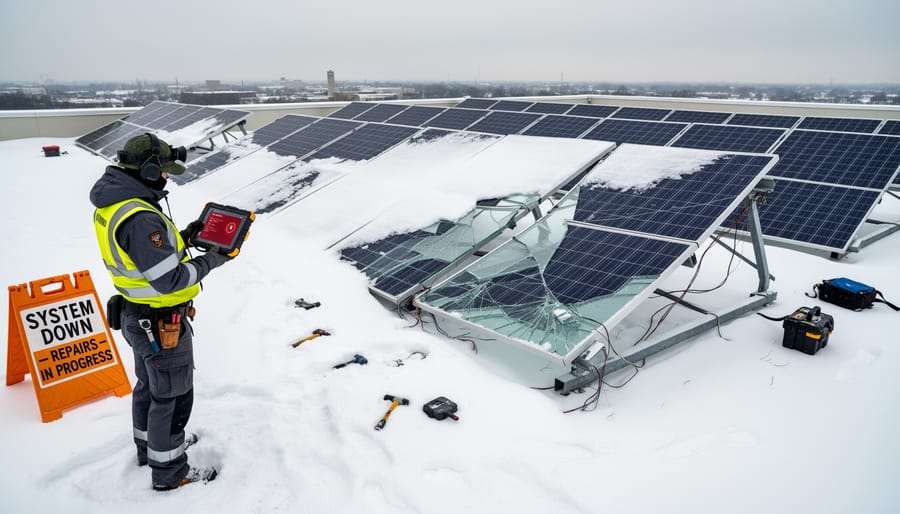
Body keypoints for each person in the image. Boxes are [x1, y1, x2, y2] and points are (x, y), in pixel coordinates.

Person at [89, 133, 232, 491]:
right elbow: (169, 279)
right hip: (159, 323)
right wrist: (212, 261)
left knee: (149, 388)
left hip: (137, 317)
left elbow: (146, 258)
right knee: (172, 395)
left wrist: (184, 236)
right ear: (149, 169)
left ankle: (150, 448)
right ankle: (170, 471)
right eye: (164, 171)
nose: (167, 177)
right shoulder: (140, 217)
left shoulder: (118, 203)